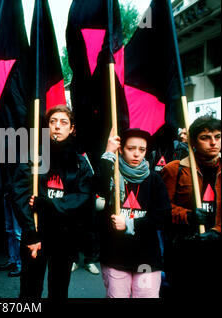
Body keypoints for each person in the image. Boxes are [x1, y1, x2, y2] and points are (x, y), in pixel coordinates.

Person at [12, 105, 94, 299]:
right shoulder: (33, 157)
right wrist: (31, 233)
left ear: (72, 128)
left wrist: (50, 205)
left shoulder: (80, 163)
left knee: (59, 289)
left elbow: (83, 197)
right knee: (30, 290)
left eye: (63, 122)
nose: (57, 126)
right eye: (52, 122)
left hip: (65, 237)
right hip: (36, 234)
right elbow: (19, 195)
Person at [96, 128, 171, 298]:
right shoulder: (112, 175)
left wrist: (131, 223)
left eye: (141, 150)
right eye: (131, 149)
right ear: (121, 149)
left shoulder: (154, 180)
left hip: (147, 258)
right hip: (115, 256)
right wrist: (108, 153)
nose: (137, 154)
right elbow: (97, 191)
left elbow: (163, 216)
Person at [161, 116, 221, 297]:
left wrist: (217, 231)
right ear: (193, 141)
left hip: (216, 248)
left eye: (217, 137)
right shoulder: (174, 169)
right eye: (205, 137)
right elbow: (162, 209)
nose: (213, 143)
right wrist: (188, 216)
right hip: (184, 249)